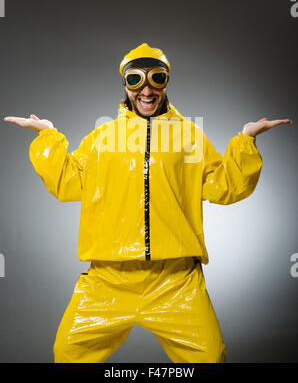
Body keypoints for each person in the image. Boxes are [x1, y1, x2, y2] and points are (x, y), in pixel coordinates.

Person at [4, 43, 293, 363]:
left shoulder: (189, 136)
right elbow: (69, 183)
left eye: (156, 78)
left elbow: (224, 187)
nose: (146, 89)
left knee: (208, 357)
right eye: (134, 80)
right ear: (124, 84)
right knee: (68, 354)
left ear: (166, 82)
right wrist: (48, 138)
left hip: (176, 281)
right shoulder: (104, 137)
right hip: (109, 280)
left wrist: (245, 142)